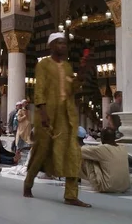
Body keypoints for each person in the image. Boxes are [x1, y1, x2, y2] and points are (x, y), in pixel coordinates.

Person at [23, 32, 91, 208]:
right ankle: (28, 183)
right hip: (47, 114)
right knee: (42, 150)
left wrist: (82, 73)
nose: (63, 46)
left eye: (65, 44)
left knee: (73, 152)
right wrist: (43, 112)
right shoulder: (43, 64)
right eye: (59, 43)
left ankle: (71, 195)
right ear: (51, 46)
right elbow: (39, 89)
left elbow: (72, 89)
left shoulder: (68, 67)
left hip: (66, 116)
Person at [80, 128, 130, 193]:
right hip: (124, 186)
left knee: (88, 158)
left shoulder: (103, 148)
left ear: (102, 137)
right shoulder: (123, 148)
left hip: (107, 187)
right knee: (94, 156)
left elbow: (79, 151)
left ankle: (72, 178)